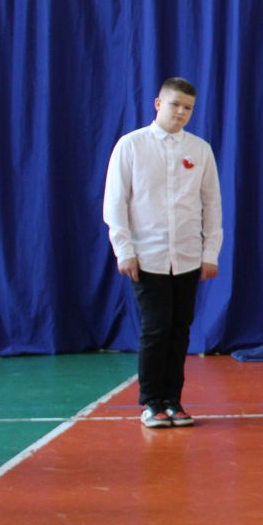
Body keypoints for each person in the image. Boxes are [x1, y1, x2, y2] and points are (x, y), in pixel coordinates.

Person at [103, 77, 223, 429]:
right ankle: (151, 401)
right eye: (175, 105)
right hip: (148, 255)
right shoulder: (131, 145)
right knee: (156, 328)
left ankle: (173, 400)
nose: (181, 112)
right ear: (158, 104)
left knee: (180, 329)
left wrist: (210, 252)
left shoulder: (200, 149)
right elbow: (115, 203)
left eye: (188, 108)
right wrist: (124, 250)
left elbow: (211, 204)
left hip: (187, 255)